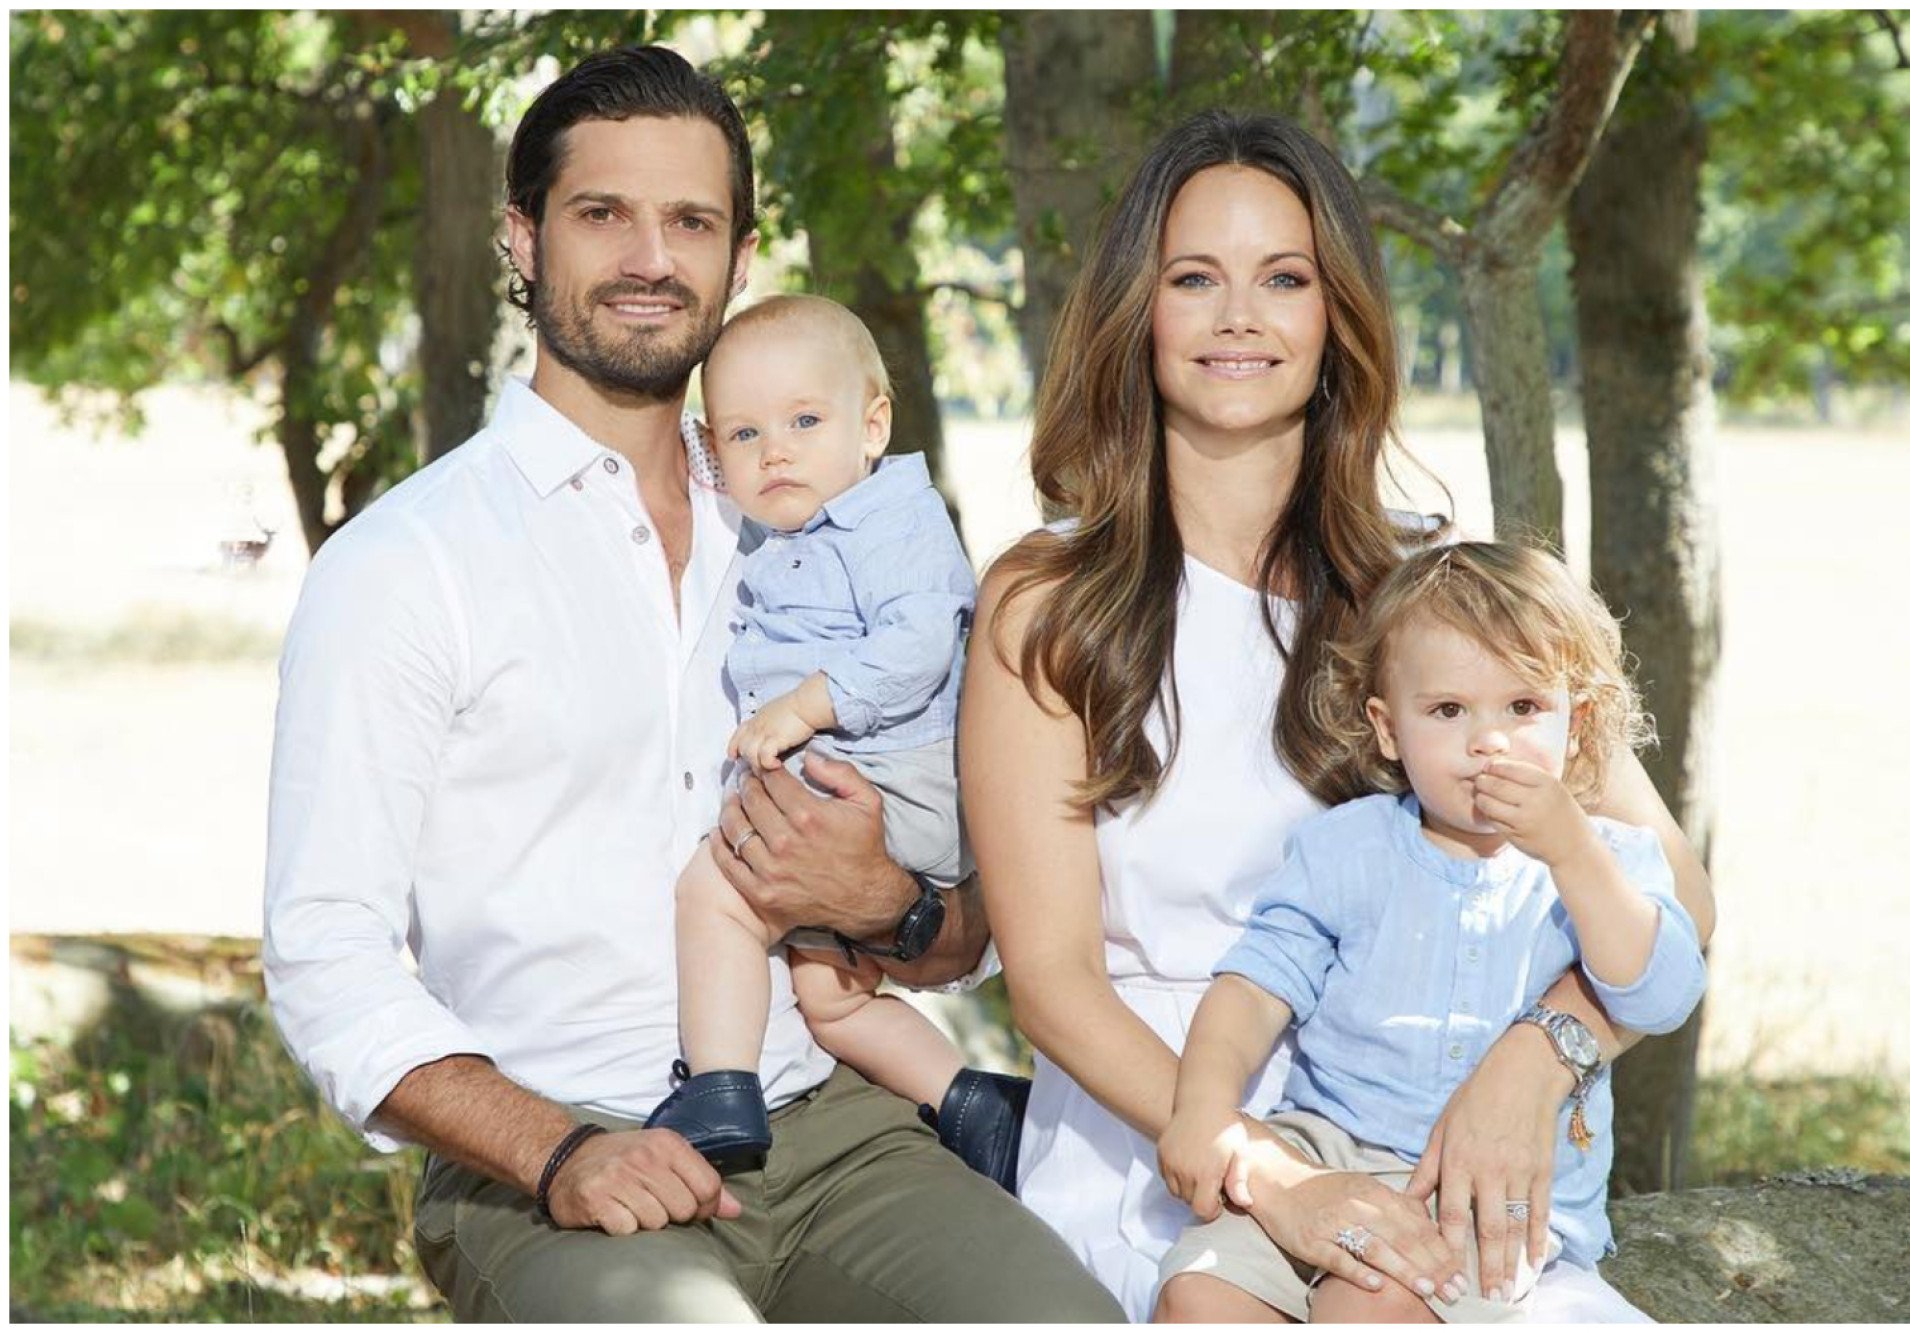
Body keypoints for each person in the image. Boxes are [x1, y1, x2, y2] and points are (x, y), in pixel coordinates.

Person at [262, 45, 1122, 1322]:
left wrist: (887, 903)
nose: (650, 257)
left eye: (692, 221)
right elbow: (323, 953)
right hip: (555, 1150)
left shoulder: (819, 532)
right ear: (521, 236)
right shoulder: (406, 564)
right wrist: (555, 1150)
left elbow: (965, 928)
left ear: (738, 252)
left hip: (840, 1128)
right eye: (603, 213)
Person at [958, 108, 1717, 1322]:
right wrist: (1272, 1174)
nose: (1238, 317)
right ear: (1134, 312)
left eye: (1285, 278)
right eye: (1193, 278)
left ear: (1337, 316)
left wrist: (1539, 1056)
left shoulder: (1434, 590)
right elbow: (1050, 984)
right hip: (1161, 1152)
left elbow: (1673, 886)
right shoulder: (1046, 601)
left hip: (1423, 1151)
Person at [1155, 542, 1708, 1323]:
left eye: (1522, 708)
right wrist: (1206, 1107)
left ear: (1575, 725)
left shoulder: (1607, 858)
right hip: (1321, 1151)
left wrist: (1572, 851)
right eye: (1448, 710)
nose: (1489, 741)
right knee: (1200, 1294)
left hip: (1484, 1200)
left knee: (1369, 1304)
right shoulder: (1347, 846)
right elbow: (1253, 986)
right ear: (1387, 728)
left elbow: (1658, 990)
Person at [652, 293, 1029, 1188]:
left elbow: (918, 641)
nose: (772, 449)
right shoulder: (786, 527)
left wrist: (806, 706)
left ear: (873, 425)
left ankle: (719, 1088)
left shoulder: (892, 515)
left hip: (892, 775)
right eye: (741, 436)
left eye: (803, 420)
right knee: (829, 997)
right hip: (868, 774)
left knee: (715, 890)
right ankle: (977, 1106)